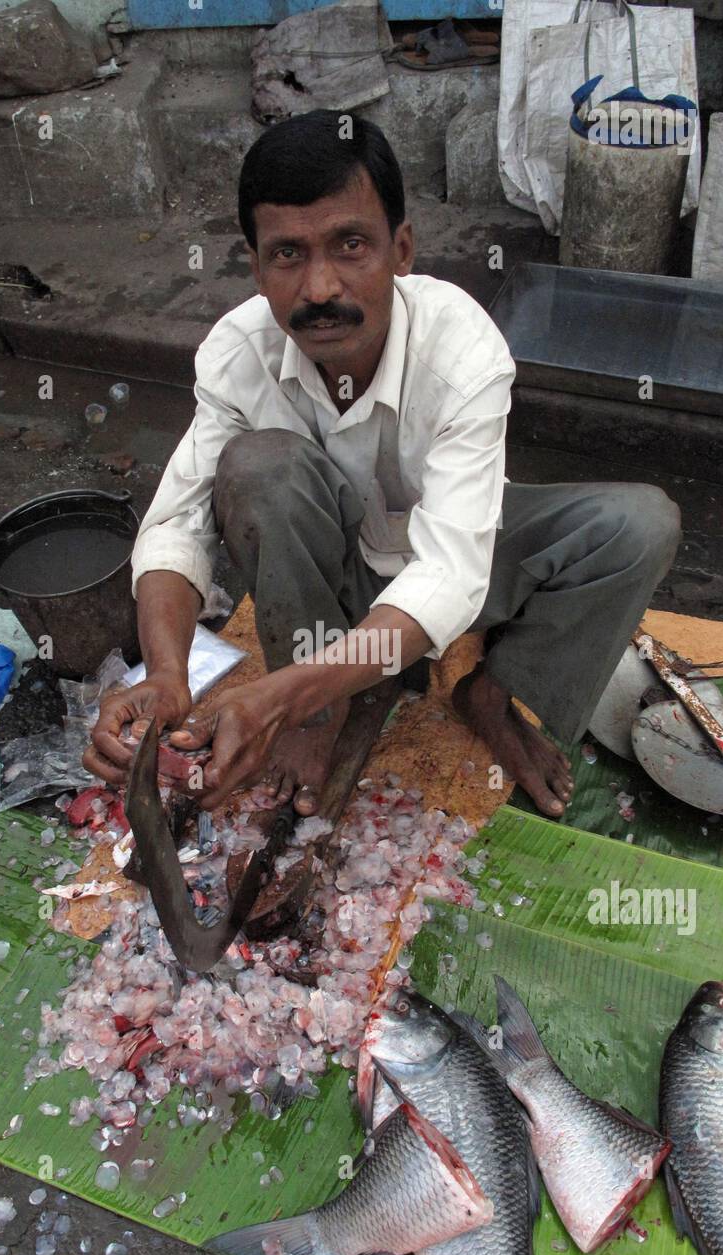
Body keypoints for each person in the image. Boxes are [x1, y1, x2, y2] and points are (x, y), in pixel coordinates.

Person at [85, 109, 680, 818]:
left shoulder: (461, 347)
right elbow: (177, 524)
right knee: (257, 467)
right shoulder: (237, 352)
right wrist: (167, 673)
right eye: (287, 254)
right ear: (255, 264)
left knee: (640, 524)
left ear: (401, 249)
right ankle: (316, 717)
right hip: (322, 590)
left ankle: (488, 692)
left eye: (350, 245)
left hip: (449, 576)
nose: (320, 288)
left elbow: (453, 571)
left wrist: (280, 692)